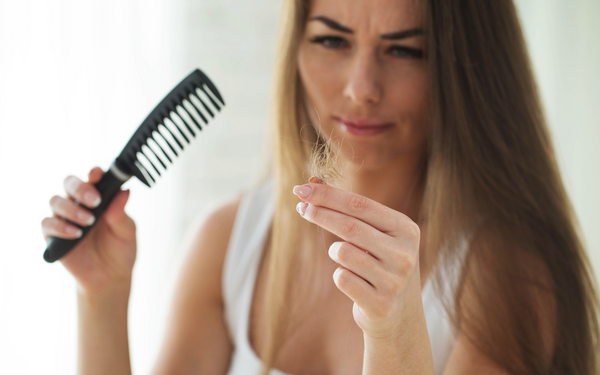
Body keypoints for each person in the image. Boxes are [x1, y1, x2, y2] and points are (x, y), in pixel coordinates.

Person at [41, 0, 600, 374]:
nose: (361, 88)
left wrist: (396, 334)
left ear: (465, 69)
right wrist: (102, 299)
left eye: (405, 50)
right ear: (296, 48)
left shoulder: (505, 277)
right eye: (332, 41)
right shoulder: (229, 240)